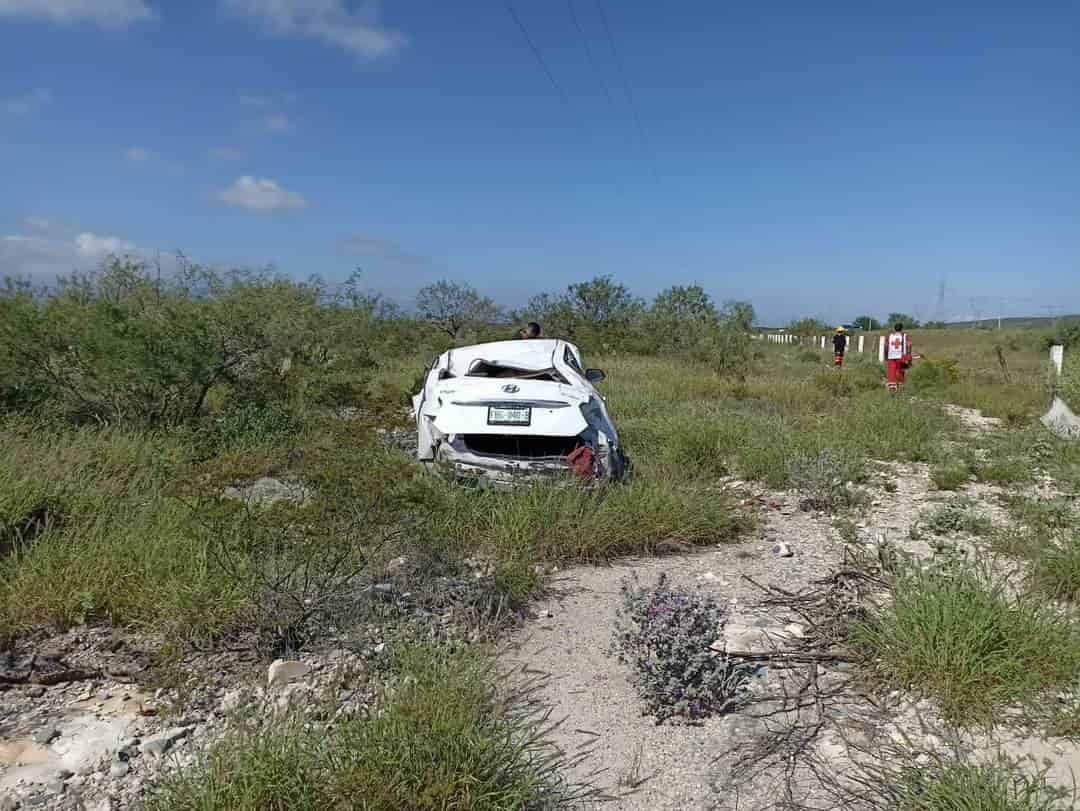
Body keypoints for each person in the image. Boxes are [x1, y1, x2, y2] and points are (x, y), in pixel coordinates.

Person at [885, 322, 912, 392]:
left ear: (894, 329)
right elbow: (909, 345)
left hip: (891, 356)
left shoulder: (889, 336)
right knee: (900, 371)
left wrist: (886, 356)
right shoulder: (904, 336)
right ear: (901, 328)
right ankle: (900, 387)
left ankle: (891, 387)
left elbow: (886, 346)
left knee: (891, 372)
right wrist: (909, 357)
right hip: (900, 356)